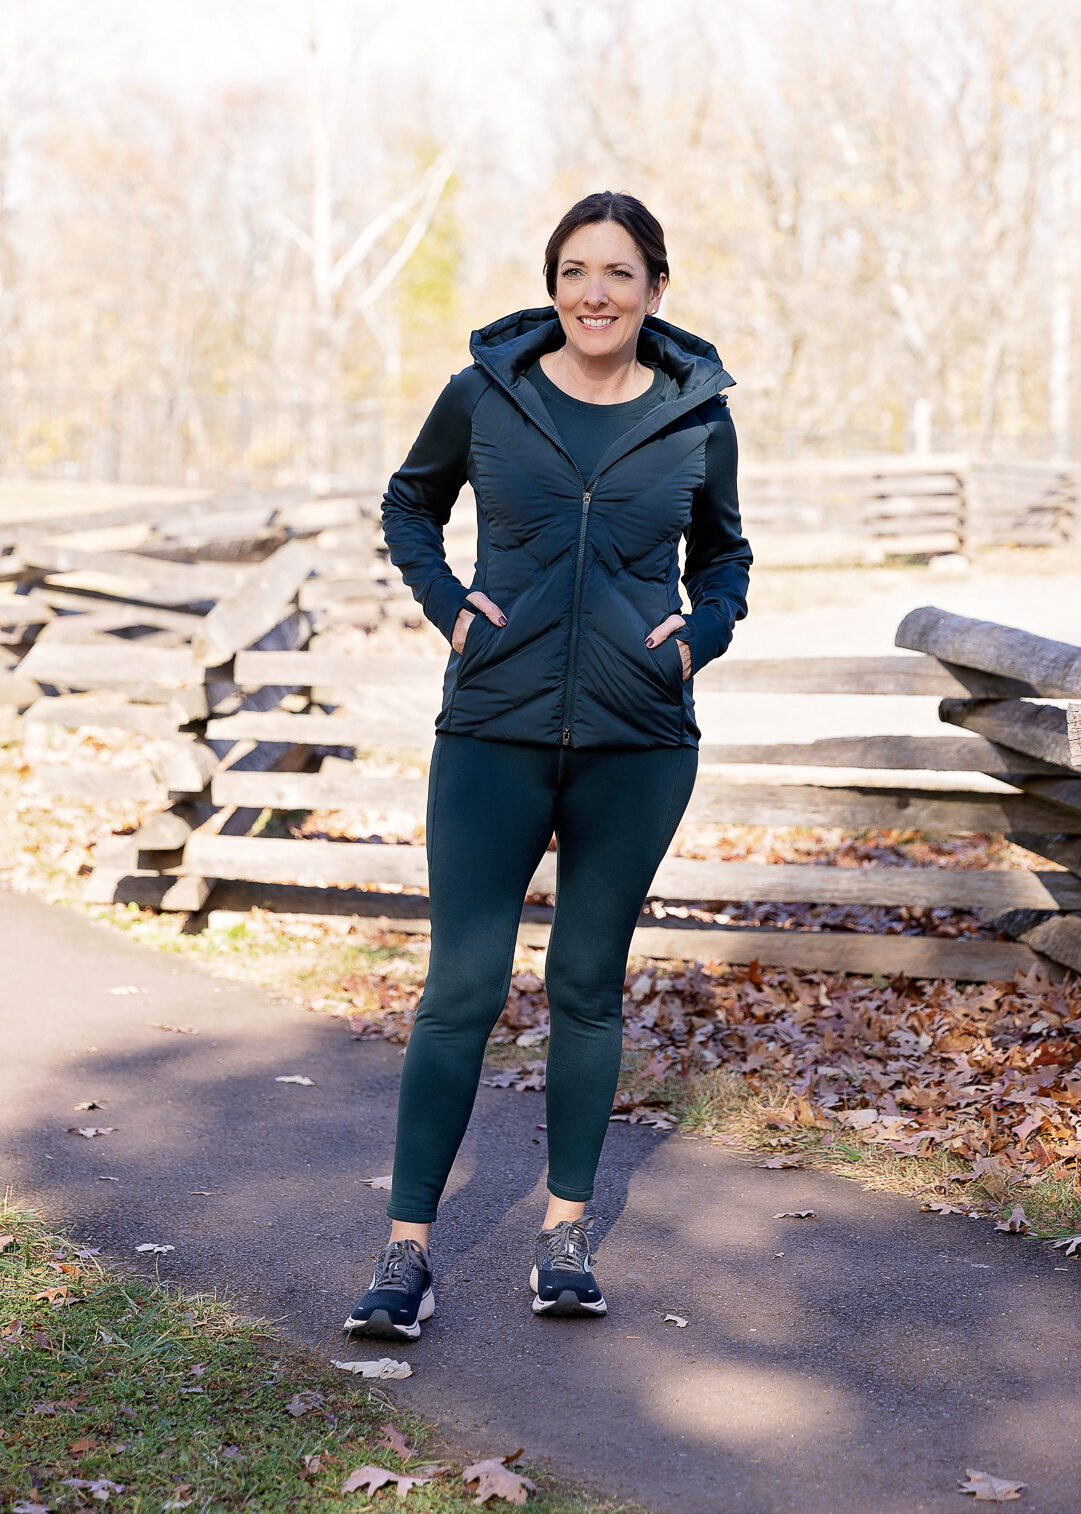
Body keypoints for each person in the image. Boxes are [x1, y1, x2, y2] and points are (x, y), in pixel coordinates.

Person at [344, 190, 752, 1340]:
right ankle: (406, 1250)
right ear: (551, 283)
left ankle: (563, 1233)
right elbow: (409, 502)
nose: (593, 293)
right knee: (461, 990)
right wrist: (447, 607)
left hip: (636, 739)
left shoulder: (695, 414)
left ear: (655, 291)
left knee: (584, 984)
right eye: (575, 270)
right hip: (492, 730)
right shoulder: (487, 393)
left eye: (617, 273)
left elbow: (725, 552)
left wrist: (698, 636)